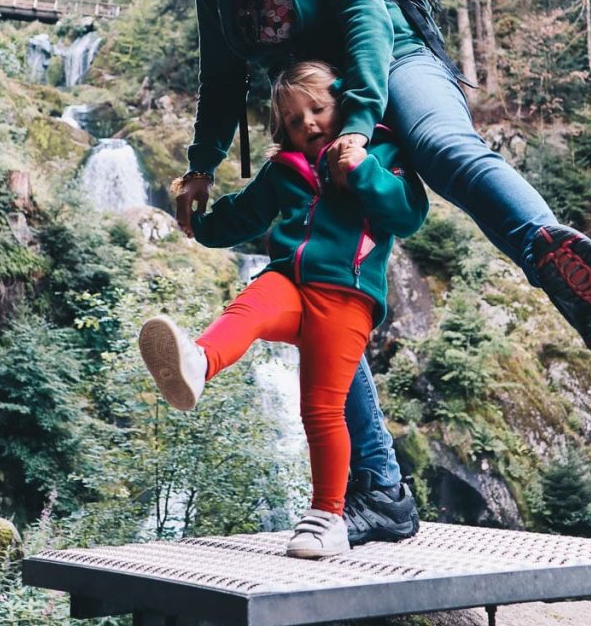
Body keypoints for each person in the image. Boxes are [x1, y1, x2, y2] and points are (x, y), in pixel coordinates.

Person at [171, 0, 591, 546]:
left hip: (391, 60)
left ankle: (546, 251)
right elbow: (222, 80)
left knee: (443, 149)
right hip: (312, 107)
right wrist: (199, 169)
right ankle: (381, 491)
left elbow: (360, 19)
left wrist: (355, 127)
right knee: (320, 284)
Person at [139, 61, 428, 558]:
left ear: (345, 107)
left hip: (346, 295)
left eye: (318, 109)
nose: (309, 123)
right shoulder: (283, 170)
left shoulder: (379, 153)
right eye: (295, 120)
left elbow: (408, 212)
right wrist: (200, 226)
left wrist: (363, 171)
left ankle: (328, 518)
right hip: (292, 282)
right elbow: (246, 214)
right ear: (283, 130)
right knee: (247, 306)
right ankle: (197, 363)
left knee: (320, 410)